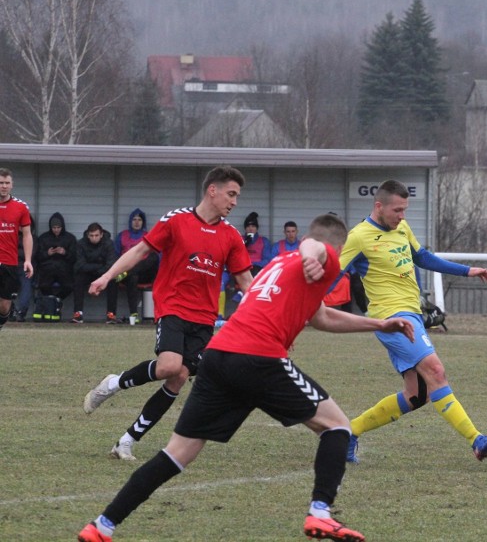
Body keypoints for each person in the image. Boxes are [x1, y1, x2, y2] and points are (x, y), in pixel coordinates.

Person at [77, 213, 415, 542]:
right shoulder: (322, 254)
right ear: (338, 246)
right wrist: (315, 255)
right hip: (259, 358)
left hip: (218, 357)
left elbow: (322, 317)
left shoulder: (280, 263)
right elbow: (314, 246)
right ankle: (321, 514)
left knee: (175, 455)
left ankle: (102, 526)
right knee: (338, 427)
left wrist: (379, 323)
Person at [82, 166, 254, 461]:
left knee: (179, 377)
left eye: (237, 196)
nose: (235, 202)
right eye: (231, 194)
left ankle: (126, 441)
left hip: (204, 318)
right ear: (212, 190)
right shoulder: (176, 220)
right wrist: (107, 276)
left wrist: (271, 321)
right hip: (173, 307)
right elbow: (139, 252)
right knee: (169, 367)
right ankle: (113, 383)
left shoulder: (231, 236)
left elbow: (247, 282)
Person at [340, 179, 487, 463]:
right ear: (379, 206)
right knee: (436, 372)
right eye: (397, 210)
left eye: (405, 210)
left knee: (417, 395)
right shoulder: (359, 237)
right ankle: (477, 440)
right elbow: (332, 274)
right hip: (391, 319)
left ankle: (349, 432)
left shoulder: (401, 228)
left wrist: (468, 271)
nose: (402, 216)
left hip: (410, 314)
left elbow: (423, 258)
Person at [0, 168, 33, 330]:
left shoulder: (20, 207)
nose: (3, 186)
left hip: (9, 263)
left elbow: (27, 235)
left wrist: (27, 260)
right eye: (1, 183)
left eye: (7, 183)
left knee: (4, 306)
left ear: (12, 185)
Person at [115, 209, 159, 324]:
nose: (137, 222)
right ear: (130, 221)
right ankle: (133, 314)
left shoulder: (148, 235)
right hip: (125, 274)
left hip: (144, 273)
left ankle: (129, 271)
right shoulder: (122, 236)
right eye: (134, 219)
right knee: (132, 277)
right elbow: (115, 255)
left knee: (154, 256)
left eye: (139, 220)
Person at [73, 223, 120, 324]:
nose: (94, 238)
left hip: (103, 274)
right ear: (87, 235)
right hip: (87, 273)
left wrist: (100, 272)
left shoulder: (109, 244)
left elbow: (110, 265)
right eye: (91, 235)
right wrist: (98, 267)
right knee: (78, 278)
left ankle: (111, 314)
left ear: (101, 234)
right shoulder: (81, 244)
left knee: (113, 280)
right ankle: (78, 313)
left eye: (96, 235)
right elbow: (80, 265)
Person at [34, 212, 76, 300]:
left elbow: (74, 257)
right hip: (47, 269)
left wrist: (65, 253)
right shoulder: (43, 238)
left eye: (58, 227)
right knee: (43, 286)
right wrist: (47, 254)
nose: (56, 230)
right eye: (54, 228)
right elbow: (37, 257)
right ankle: (55, 301)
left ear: (62, 227)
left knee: (69, 286)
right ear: (50, 227)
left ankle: (55, 300)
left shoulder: (70, 238)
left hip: (64, 269)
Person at [12, 212, 35, 321]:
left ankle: (21, 311)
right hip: (9, 265)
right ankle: (9, 309)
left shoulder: (33, 238)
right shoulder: (10, 236)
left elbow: (33, 253)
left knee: (26, 282)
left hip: (24, 267)